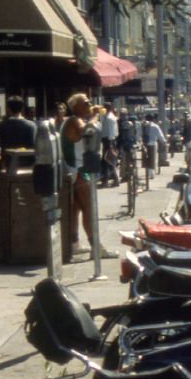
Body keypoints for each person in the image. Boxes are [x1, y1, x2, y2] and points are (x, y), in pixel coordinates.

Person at [61, 93, 115, 258]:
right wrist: (94, 116)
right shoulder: (74, 121)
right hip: (78, 169)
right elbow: (87, 131)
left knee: (76, 208)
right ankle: (95, 246)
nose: (89, 104)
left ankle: (74, 242)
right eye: (85, 102)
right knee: (89, 207)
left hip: (75, 167)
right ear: (75, 106)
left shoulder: (72, 121)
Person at [0, 95, 37, 167]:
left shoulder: (2, 126)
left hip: (8, 164)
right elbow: (33, 146)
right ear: (22, 108)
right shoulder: (31, 126)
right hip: (27, 164)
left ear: (8, 109)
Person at [98, 103, 120, 187]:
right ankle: (111, 179)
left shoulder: (109, 118)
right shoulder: (107, 116)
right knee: (109, 161)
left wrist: (110, 144)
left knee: (108, 161)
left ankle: (108, 180)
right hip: (108, 140)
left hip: (109, 140)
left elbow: (111, 132)